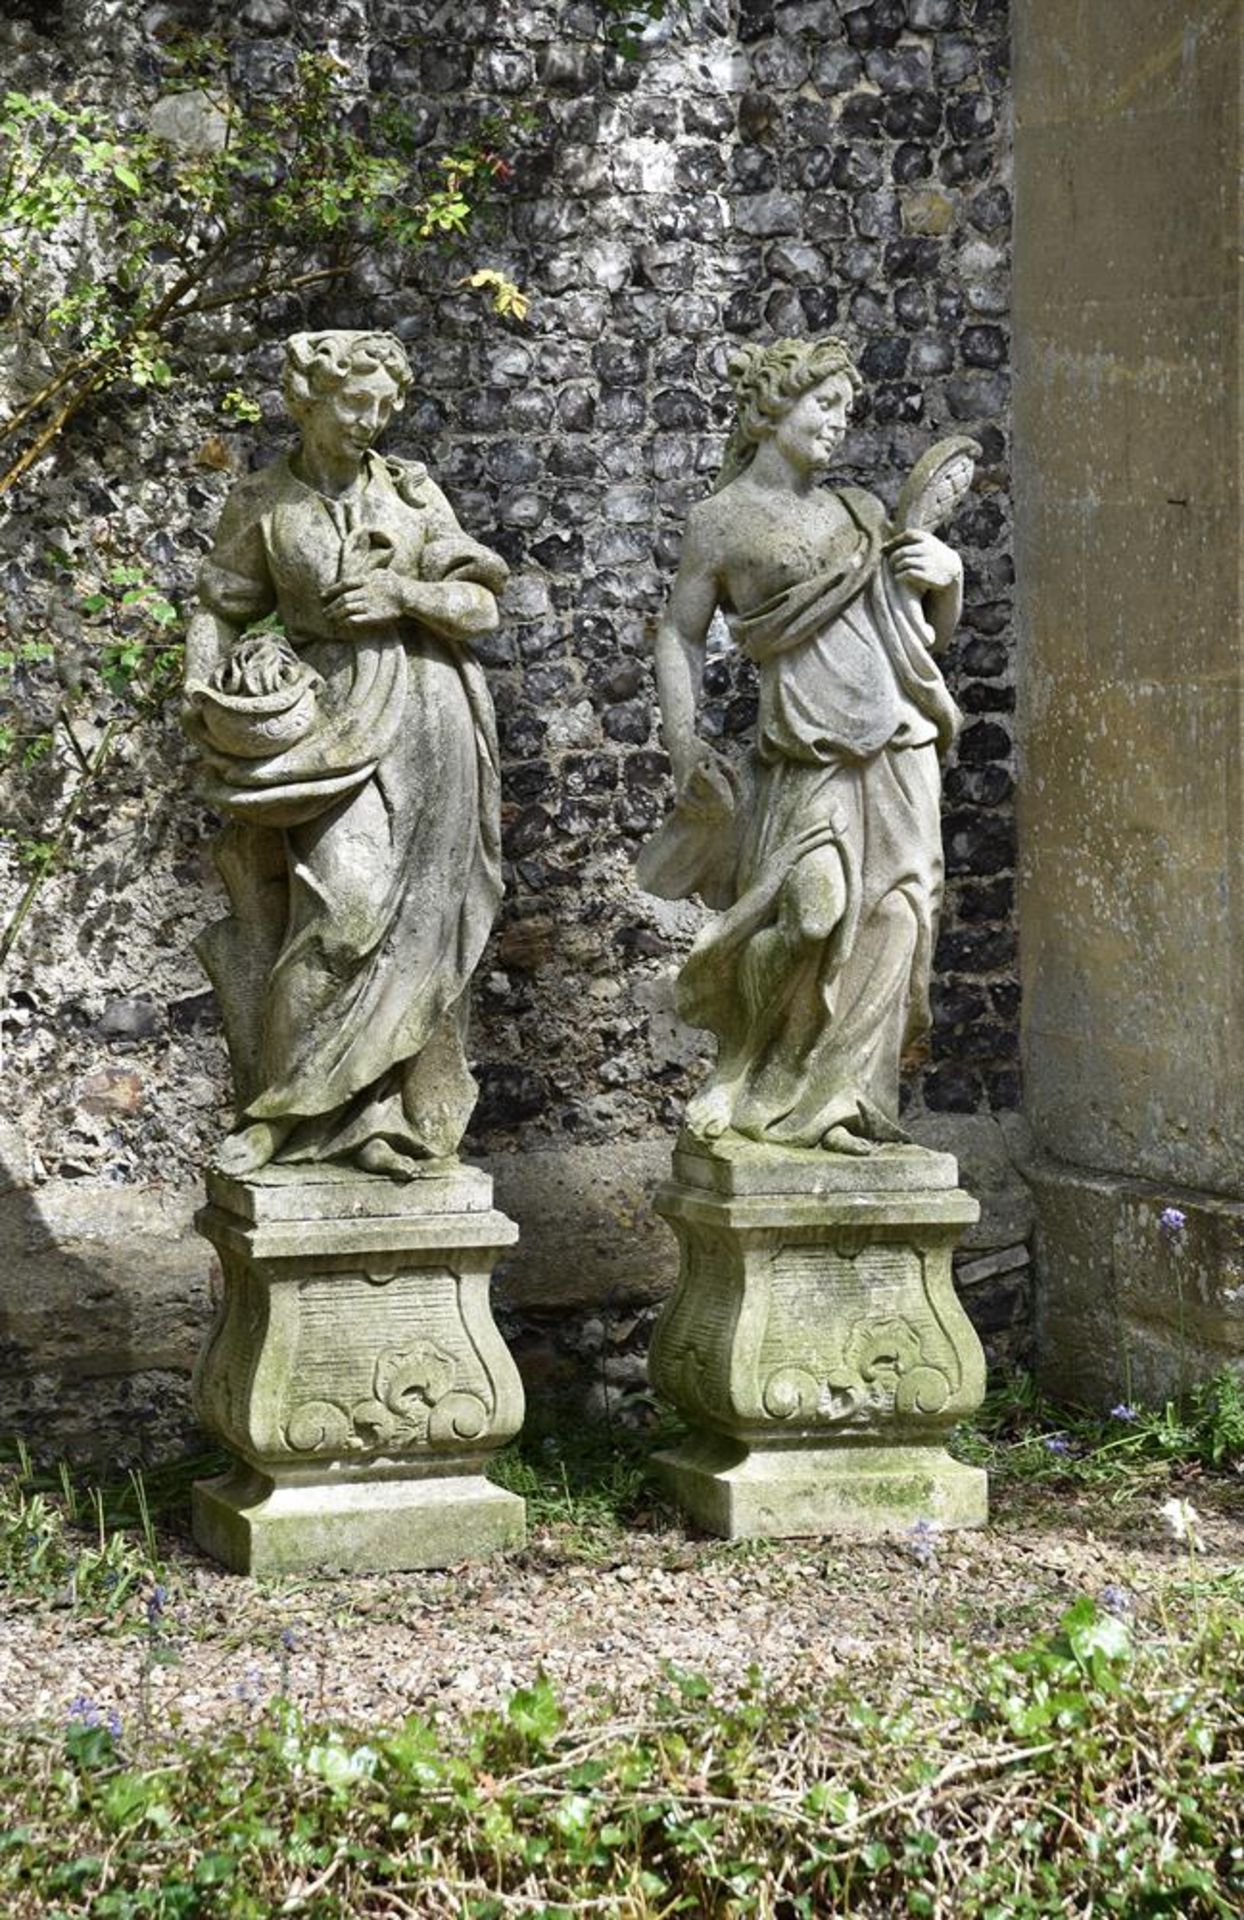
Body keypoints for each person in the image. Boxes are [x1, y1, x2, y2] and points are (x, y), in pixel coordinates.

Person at [182, 329, 508, 1178]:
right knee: (343, 908)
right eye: (353, 403)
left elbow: (481, 608)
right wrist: (205, 694)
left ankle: (381, 1121)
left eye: (382, 406)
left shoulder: (411, 495)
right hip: (328, 718)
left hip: (429, 715)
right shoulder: (262, 502)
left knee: (423, 925)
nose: (371, 420)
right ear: (307, 402)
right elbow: (218, 607)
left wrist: (403, 592)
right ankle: (288, 1114)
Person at [644, 336, 972, 1154]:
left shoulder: (857, 513)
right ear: (771, 409)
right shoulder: (719, 523)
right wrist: (685, 749)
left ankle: (843, 1104)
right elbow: (679, 636)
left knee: (896, 919)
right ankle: (747, 1067)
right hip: (806, 757)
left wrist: (949, 581)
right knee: (812, 913)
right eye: (824, 406)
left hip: (898, 746)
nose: (838, 425)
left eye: (846, 411)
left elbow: (917, 635)